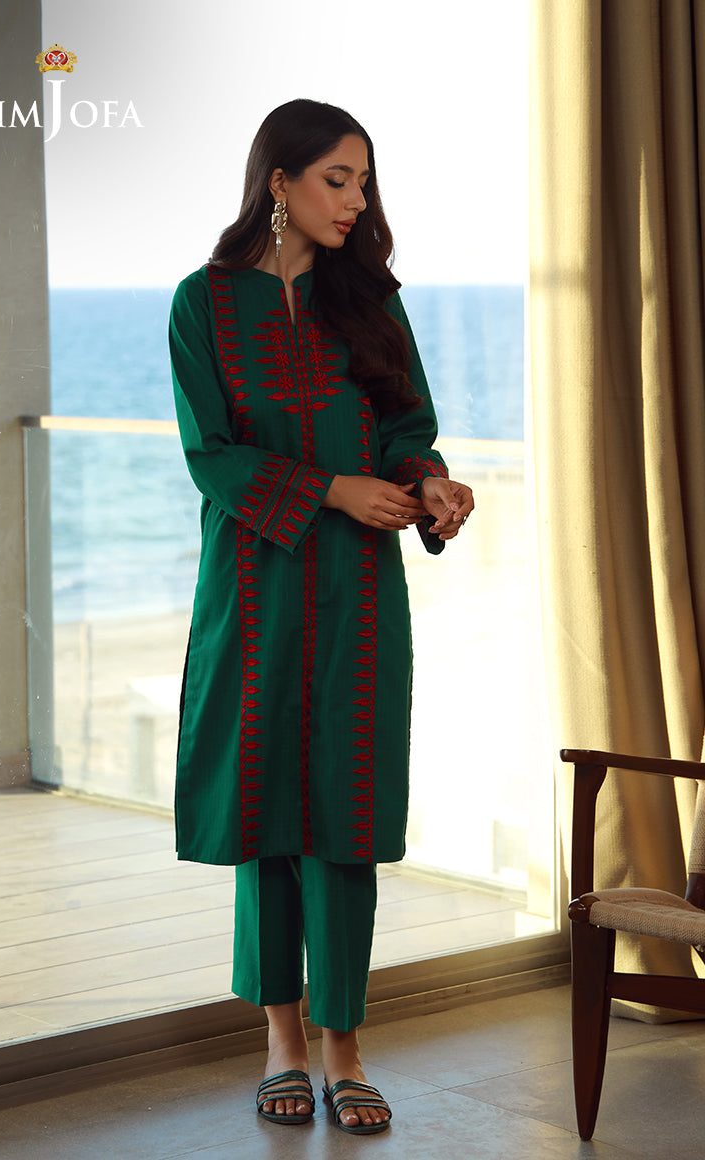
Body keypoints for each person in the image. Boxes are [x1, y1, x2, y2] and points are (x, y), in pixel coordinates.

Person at [168, 98, 474, 1136]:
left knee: (343, 810)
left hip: (358, 594)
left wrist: (428, 484)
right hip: (254, 586)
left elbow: (406, 425)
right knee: (267, 810)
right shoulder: (204, 303)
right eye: (335, 180)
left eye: (362, 183)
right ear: (279, 181)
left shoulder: (370, 300)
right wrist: (332, 489)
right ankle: (281, 1042)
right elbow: (210, 453)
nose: (353, 201)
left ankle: (345, 1047)